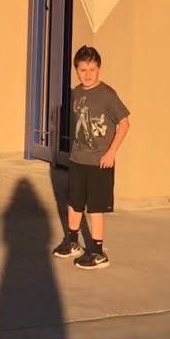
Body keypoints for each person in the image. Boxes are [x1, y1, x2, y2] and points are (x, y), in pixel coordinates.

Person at [52, 45, 130, 270]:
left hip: (100, 162)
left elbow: (124, 123)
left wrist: (111, 152)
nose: (87, 74)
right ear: (76, 70)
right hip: (78, 159)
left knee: (95, 207)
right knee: (74, 202)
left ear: (99, 69)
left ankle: (97, 252)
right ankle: (72, 241)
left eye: (92, 70)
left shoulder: (107, 95)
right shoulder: (77, 93)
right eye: (82, 70)